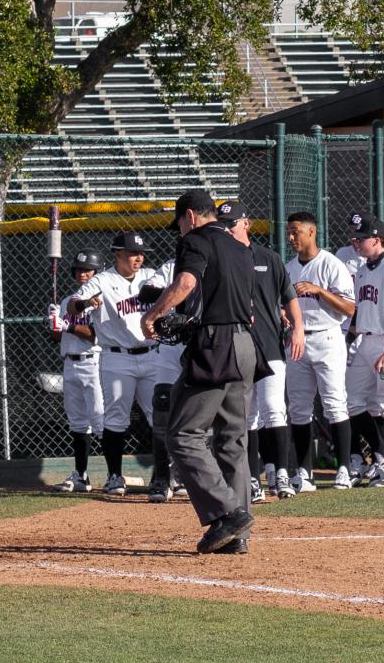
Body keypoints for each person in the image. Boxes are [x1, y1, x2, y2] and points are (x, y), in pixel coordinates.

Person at [143, 188, 258, 555]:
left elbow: (187, 283)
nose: (178, 229)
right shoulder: (240, 245)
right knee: (231, 441)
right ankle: (236, 538)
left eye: (179, 222)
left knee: (182, 435)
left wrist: (154, 314)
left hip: (217, 347)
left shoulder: (195, 239)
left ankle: (229, 512)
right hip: (245, 345)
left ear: (190, 216)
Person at [67, 233, 165, 498]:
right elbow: (74, 307)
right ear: (118, 253)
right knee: (115, 417)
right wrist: (86, 303)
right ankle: (114, 476)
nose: (139, 258)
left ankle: (163, 477)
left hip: (152, 354)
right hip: (116, 357)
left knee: (159, 416)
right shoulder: (102, 280)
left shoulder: (150, 276)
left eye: (142, 253)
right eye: (133, 253)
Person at [222, 200, 303, 502]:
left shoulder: (268, 257)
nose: (228, 230)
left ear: (246, 224)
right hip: (239, 346)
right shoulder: (223, 260)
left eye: (232, 224)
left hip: (268, 344)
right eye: (224, 225)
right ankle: (252, 477)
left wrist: (298, 328)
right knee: (247, 415)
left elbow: (289, 296)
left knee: (274, 408)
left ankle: (281, 473)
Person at [284, 210, 357, 490]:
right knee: (299, 409)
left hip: (328, 337)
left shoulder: (331, 264)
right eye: (289, 232)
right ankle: (304, 471)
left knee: (335, 404)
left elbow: (350, 308)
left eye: (296, 232)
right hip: (298, 340)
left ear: (311, 232)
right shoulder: (289, 267)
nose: (291, 238)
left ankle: (344, 469)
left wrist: (320, 291)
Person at [345, 213, 384, 487]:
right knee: (354, 402)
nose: (356, 243)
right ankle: (382, 456)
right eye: (355, 238)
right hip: (365, 341)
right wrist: (347, 341)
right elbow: (359, 310)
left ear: (377, 240)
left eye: (361, 239)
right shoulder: (362, 268)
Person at [54, 250, 106, 492]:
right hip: (70, 363)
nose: (83, 274)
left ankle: (114, 474)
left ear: (97, 272)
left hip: (95, 363)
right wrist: (54, 324)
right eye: (79, 270)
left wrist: (68, 325)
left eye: (88, 270)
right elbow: (58, 336)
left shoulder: (104, 300)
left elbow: (94, 336)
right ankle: (81, 475)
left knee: (101, 420)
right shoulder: (67, 302)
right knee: (77, 423)